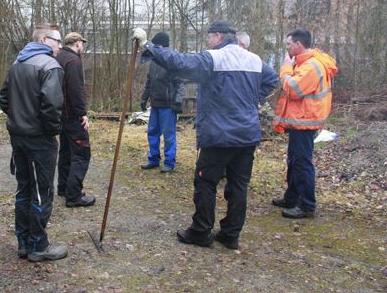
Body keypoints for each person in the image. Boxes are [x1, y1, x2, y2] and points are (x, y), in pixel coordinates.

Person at [132, 21, 278, 250]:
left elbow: (179, 62)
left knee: (205, 181)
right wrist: (252, 100)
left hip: (220, 134)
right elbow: (273, 80)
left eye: (209, 37)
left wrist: (147, 45)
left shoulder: (215, 58)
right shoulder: (254, 59)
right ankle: (231, 234)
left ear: (218, 36)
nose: (208, 42)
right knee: (238, 185)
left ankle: (200, 231)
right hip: (247, 134)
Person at [0, 22, 68, 262]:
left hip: (18, 137)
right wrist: (51, 131)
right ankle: (38, 245)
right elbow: (52, 107)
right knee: (41, 191)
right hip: (39, 140)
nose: (60, 46)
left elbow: (4, 100)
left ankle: (23, 241)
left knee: (24, 187)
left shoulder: (17, 64)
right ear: (44, 41)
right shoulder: (50, 66)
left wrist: (19, 119)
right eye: (57, 41)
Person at [272, 28, 338, 219]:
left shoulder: (311, 66)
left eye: (289, 44)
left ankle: (307, 205)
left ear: (298, 44)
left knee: (302, 163)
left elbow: (294, 89)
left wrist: (285, 69)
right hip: (301, 121)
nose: (287, 48)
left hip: (305, 122)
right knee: (295, 161)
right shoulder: (306, 63)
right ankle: (292, 197)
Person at [56, 32, 96, 207]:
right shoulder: (72, 61)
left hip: (61, 115)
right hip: (72, 116)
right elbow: (75, 90)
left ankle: (64, 187)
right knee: (81, 154)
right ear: (78, 43)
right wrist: (82, 114)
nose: (82, 46)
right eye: (82, 43)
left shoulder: (59, 57)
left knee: (66, 152)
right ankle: (73, 196)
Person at [139, 32, 186, 173]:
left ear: (161, 46)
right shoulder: (154, 61)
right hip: (155, 104)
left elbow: (181, 83)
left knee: (168, 135)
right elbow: (149, 82)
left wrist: (177, 101)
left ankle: (169, 162)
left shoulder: (172, 60)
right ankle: (153, 159)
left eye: (156, 46)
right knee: (152, 132)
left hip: (168, 105)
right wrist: (144, 98)